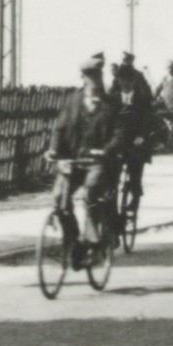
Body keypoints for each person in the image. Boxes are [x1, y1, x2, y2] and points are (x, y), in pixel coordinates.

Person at [46, 56, 118, 245]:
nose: (95, 81)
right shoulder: (73, 102)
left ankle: (92, 241)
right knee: (59, 198)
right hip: (74, 161)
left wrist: (106, 150)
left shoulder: (111, 104)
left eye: (98, 76)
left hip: (98, 163)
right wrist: (54, 150)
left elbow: (120, 134)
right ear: (83, 78)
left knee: (90, 194)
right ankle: (74, 241)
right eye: (90, 76)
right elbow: (60, 129)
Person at [107, 51, 156, 216]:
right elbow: (109, 108)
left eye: (127, 60)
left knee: (136, 165)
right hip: (120, 133)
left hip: (137, 132)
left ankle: (135, 197)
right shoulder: (116, 82)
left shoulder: (140, 80)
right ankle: (111, 208)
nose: (125, 83)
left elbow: (147, 112)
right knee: (112, 169)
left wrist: (142, 135)